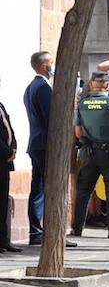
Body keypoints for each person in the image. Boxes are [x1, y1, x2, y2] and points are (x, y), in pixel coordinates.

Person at [70, 70, 109, 239]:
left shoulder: (82, 104)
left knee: (84, 191)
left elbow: (78, 131)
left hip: (88, 152)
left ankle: (77, 229)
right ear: (107, 85)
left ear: (91, 85)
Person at [22, 51, 56, 247]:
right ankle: (39, 232)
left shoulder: (30, 87)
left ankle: (37, 231)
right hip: (44, 144)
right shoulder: (42, 88)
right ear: (44, 66)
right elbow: (51, 118)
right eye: (51, 62)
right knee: (43, 188)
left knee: (39, 187)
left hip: (36, 142)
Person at [0, 88, 19, 252]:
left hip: (5, 161)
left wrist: (13, 149)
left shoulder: (1, 105)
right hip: (2, 157)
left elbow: (9, 130)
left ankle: (3, 239)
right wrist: (7, 152)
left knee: (3, 201)